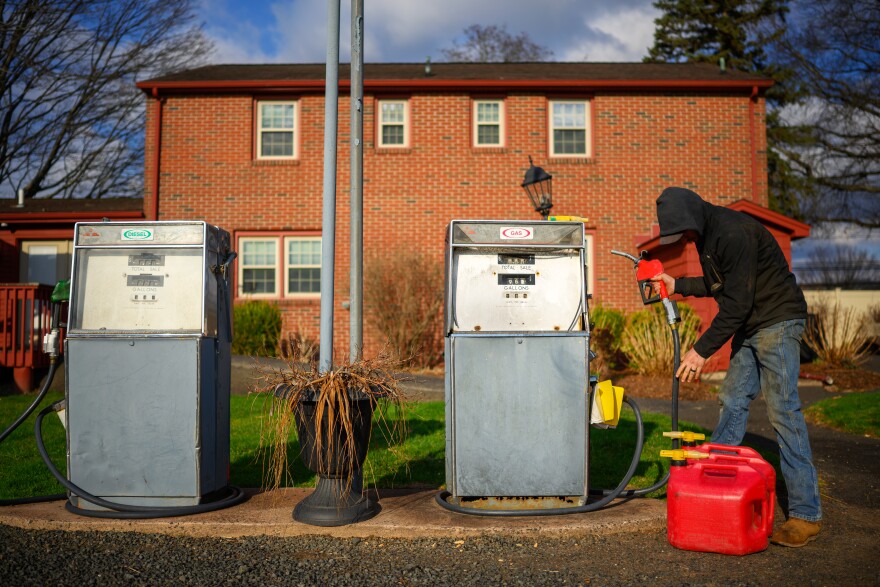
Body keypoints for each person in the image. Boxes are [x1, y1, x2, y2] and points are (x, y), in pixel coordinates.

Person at [651, 187, 822, 548]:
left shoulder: (732, 232)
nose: (684, 238)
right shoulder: (706, 235)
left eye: (684, 231)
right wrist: (676, 284)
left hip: (777, 320)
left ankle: (806, 514)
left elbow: (737, 302)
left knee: (783, 410)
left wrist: (699, 351)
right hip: (752, 322)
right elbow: (720, 286)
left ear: (695, 216)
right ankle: (714, 484)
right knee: (732, 397)